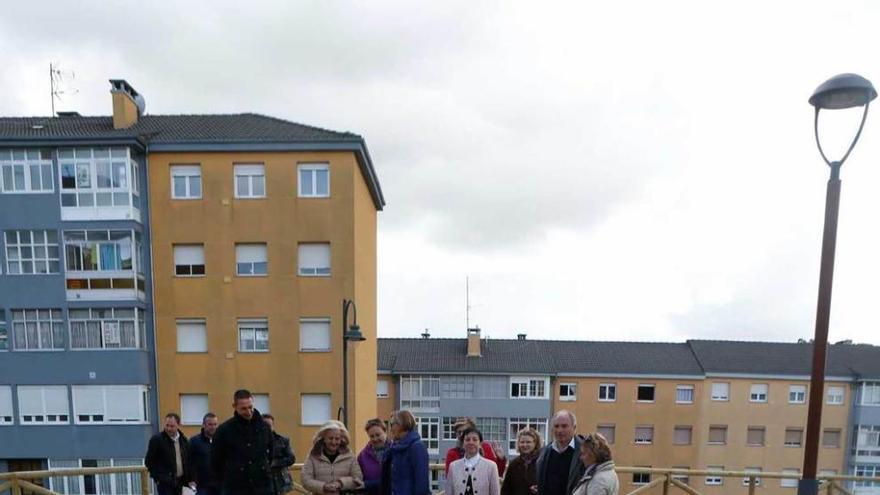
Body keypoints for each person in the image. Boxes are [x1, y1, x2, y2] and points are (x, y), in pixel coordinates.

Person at [212, 389, 275, 495]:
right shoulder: (224, 430)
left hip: (262, 487)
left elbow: (270, 453)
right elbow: (216, 461)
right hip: (235, 488)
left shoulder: (264, 428)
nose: (249, 412)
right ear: (234, 406)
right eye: (244, 409)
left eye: (250, 407)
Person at [301, 420, 363, 494]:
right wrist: (323, 486)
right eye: (330, 438)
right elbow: (305, 480)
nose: (334, 442)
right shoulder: (313, 456)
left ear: (341, 440)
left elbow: (358, 478)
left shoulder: (350, 456)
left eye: (337, 439)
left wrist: (341, 483)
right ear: (324, 439)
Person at [381, 410, 430, 495]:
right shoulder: (394, 447)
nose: (390, 428)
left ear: (401, 424)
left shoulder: (417, 447)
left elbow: (422, 483)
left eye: (392, 424)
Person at [145, 413, 195, 495]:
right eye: (167, 425)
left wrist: (190, 479)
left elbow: (187, 461)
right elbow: (149, 462)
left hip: (179, 482)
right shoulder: (157, 440)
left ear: (178, 425)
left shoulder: (183, 440)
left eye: (172, 426)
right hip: (164, 483)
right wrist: (157, 478)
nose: (168, 428)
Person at [536, 410, 584, 495]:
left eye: (564, 426)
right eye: (556, 426)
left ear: (574, 427)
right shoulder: (544, 452)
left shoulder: (585, 451)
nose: (559, 430)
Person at [445, 427, 501, 495]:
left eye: (475, 440)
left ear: (480, 444)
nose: (471, 442)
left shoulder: (491, 467)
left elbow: (495, 493)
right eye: (467, 440)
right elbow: (449, 492)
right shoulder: (453, 466)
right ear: (463, 444)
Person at [500, 428, 542, 495]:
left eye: (528, 442)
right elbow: (506, 489)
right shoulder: (513, 464)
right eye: (522, 442)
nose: (524, 445)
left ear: (535, 443)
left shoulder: (542, 462)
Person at [263, 414, 296, 494]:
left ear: (273, 426)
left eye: (269, 425)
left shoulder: (282, 440)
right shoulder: (253, 442)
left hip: (279, 481)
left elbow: (291, 458)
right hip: (261, 481)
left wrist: (275, 462)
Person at [189, 413, 220, 495]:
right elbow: (189, 462)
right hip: (202, 486)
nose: (213, 427)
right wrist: (191, 479)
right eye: (210, 424)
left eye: (215, 424)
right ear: (203, 425)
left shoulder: (221, 441)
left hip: (219, 485)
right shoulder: (194, 441)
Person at [357, 418, 388, 495]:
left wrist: (368, 485)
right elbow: (360, 479)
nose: (375, 439)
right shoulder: (362, 456)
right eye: (371, 436)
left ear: (385, 432)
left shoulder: (396, 451)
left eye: (378, 435)